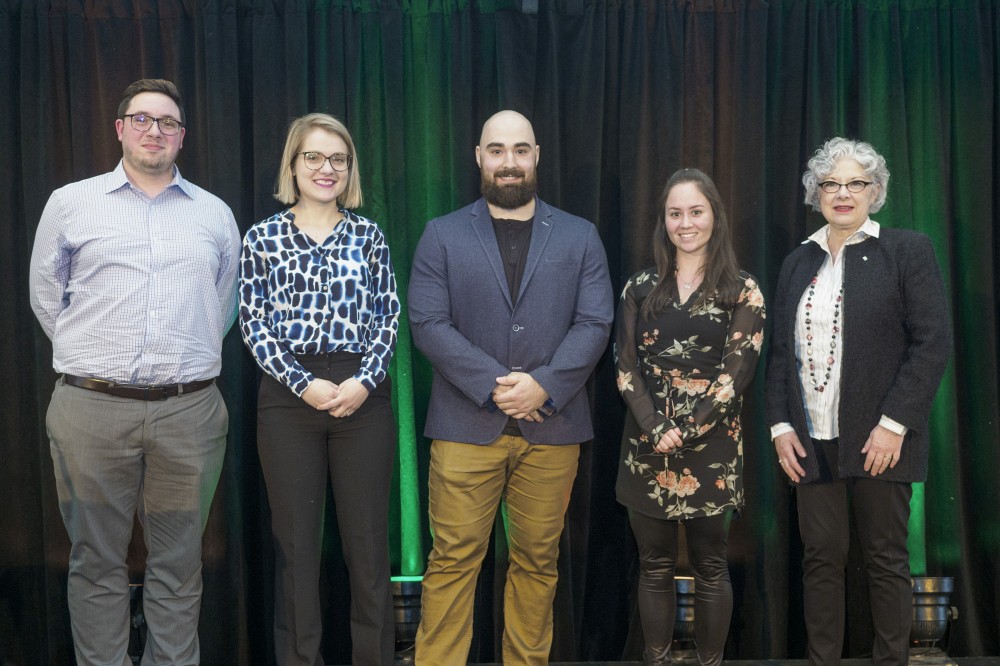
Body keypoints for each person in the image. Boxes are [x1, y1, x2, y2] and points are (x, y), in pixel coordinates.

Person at [28, 78, 240, 664]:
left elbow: (221, 308)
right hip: (91, 409)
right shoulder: (72, 202)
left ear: (182, 137)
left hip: (189, 411)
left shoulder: (214, 215)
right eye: (142, 119)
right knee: (96, 562)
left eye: (167, 122)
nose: (155, 130)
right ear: (120, 127)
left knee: (179, 564)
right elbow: (48, 300)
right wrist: (97, 359)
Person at [408, 110, 614, 664]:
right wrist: (499, 386)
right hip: (463, 427)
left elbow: (595, 323)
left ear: (537, 155)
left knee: (537, 564)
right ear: (479, 157)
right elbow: (427, 323)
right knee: (452, 562)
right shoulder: (441, 234)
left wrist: (543, 386)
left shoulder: (580, 235)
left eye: (520, 150)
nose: (509, 162)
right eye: (496, 150)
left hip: (552, 429)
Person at [765, 137, 952, 666]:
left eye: (855, 183)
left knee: (885, 559)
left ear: (876, 191)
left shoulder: (907, 250)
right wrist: (780, 427)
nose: (842, 194)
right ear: (816, 192)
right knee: (821, 560)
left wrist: (895, 424)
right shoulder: (797, 262)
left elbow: (932, 342)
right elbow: (780, 354)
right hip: (810, 439)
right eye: (830, 184)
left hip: (880, 438)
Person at [239, 113, 399, 665]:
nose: (326, 168)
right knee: (297, 554)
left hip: (363, 396)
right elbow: (253, 322)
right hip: (288, 400)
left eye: (338, 159)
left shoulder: (369, 236)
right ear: (293, 164)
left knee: (368, 553)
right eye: (313, 157)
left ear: (349, 169)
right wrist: (305, 384)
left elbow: (388, 316)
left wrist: (362, 381)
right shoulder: (261, 237)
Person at [615, 168, 766, 666]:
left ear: (714, 218)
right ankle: (655, 659)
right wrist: (656, 427)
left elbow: (737, 371)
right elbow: (626, 368)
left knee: (711, 566)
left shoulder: (743, 289)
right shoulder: (639, 287)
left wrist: (687, 427)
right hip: (646, 443)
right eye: (675, 213)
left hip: (713, 445)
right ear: (663, 221)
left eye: (695, 212)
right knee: (654, 566)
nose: (686, 223)